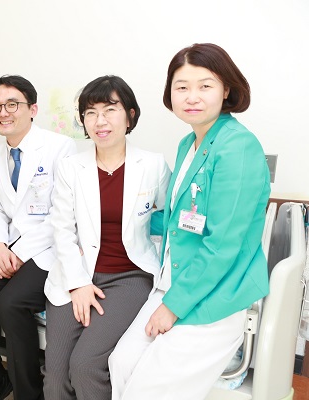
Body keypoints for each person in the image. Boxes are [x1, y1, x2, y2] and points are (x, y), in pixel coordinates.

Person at [109, 43, 271, 399]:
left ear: (226, 89)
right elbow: (179, 219)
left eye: (205, 85)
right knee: (120, 364)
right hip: (175, 280)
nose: (191, 96)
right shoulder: (189, 144)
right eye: (181, 87)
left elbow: (222, 244)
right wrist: (122, 221)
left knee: (147, 390)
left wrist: (172, 307)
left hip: (216, 291)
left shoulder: (238, 147)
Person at [43, 76, 171, 400]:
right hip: (75, 275)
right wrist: (78, 284)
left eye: (110, 109)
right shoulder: (70, 167)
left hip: (129, 276)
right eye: (90, 112)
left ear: (129, 115)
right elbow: (62, 229)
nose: (99, 120)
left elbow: (170, 222)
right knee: (55, 379)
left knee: (85, 366)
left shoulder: (153, 165)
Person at [0, 75, 77, 400]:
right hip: (9, 246)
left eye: (12, 104)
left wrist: (17, 254)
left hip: (49, 248)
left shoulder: (60, 147)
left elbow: (63, 213)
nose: (3, 112)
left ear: (33, 109)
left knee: (11, 303)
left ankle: (29, 393)